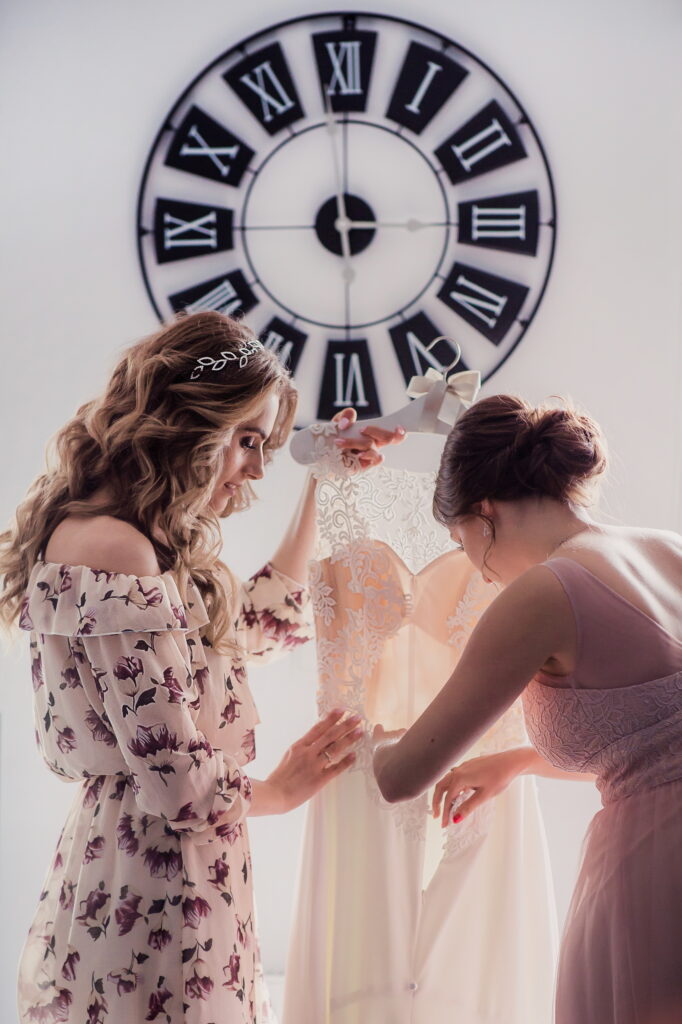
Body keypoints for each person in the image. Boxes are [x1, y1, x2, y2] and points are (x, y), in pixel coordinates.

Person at [0, 310, 401, 1024]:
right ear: (189, 421)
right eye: (246, 440)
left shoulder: (138, 543)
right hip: (157, 881)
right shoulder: (117, 550)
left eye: (264, 446)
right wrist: (283, 788)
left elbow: (257, 626)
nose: (256, 467)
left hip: (161, 867)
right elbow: (177, 780)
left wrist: (323, 482)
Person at [373, 394, 682, 1024]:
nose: (479, 571)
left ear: (483, 514)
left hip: (657, 873)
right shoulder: (667, 549)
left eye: (460, 540)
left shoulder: (545, 592)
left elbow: (401, 776)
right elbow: (656, 740)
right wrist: (516, 761)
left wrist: (371, 736)